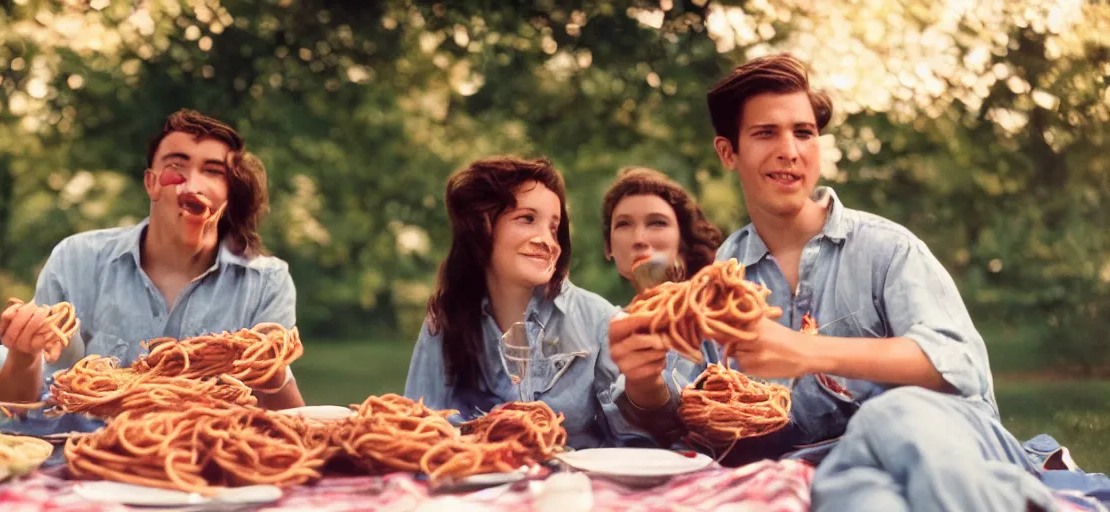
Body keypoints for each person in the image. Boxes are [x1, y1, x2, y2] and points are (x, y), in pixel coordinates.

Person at [610, 53, 1079, 511]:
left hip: (945, 437)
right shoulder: (716, 283)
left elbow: (959, 364)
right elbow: (686, 415)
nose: (789, 151)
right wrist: (643, 381)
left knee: (888, 413)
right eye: (765, 133)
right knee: (851, 494)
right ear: (728, 152)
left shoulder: (887, 248)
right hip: (830, 463)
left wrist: (803, 350)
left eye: (804, 132)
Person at [0, 109, 306, 422]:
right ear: (152, 182)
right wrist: (23, 357)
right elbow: (8, 411)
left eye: (213, 172)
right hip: (88, 467)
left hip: (211, 468)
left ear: (228, 192)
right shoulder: (76, 260)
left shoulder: (267, 281)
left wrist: (271, 373)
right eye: (177, 167)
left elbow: (290, 426)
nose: (193, 185)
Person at [403, 156, 654, 449]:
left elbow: (634, 441)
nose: (547, 240)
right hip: (477, 487)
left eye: (554, 227)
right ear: (482, 226)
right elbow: (417, 431)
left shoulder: (599, 319)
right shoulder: (446, 320)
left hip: (573, 488)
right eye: (527, 219)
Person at [598, 167, 725, 446]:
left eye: (657, 223)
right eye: (624, 224)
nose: (639, 238)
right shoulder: (600, 325)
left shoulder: (719, 315)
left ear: (683, 241)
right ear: (609, 248)